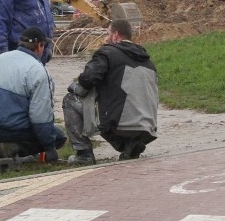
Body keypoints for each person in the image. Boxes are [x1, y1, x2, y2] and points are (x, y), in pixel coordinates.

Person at [62, 18, 158, 164]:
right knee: (114, 108)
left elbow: (87, 80)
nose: (106, 38)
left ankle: (84, 154)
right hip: (147, 125)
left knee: (70, 100)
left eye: (108, 34)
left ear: (115, 35)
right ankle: (129, 145)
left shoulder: (106, 53)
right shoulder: (148, 62)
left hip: (118, 122)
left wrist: (75, 86)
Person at [0, 26, 66, 161]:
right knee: (59, 136)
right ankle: (14, 151)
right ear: (40, 46)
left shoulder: (1, 58)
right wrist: (50, 148)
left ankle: (5, 147)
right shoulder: (37, 70)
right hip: (9, 128)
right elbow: (40, 117)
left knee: (14, 113)